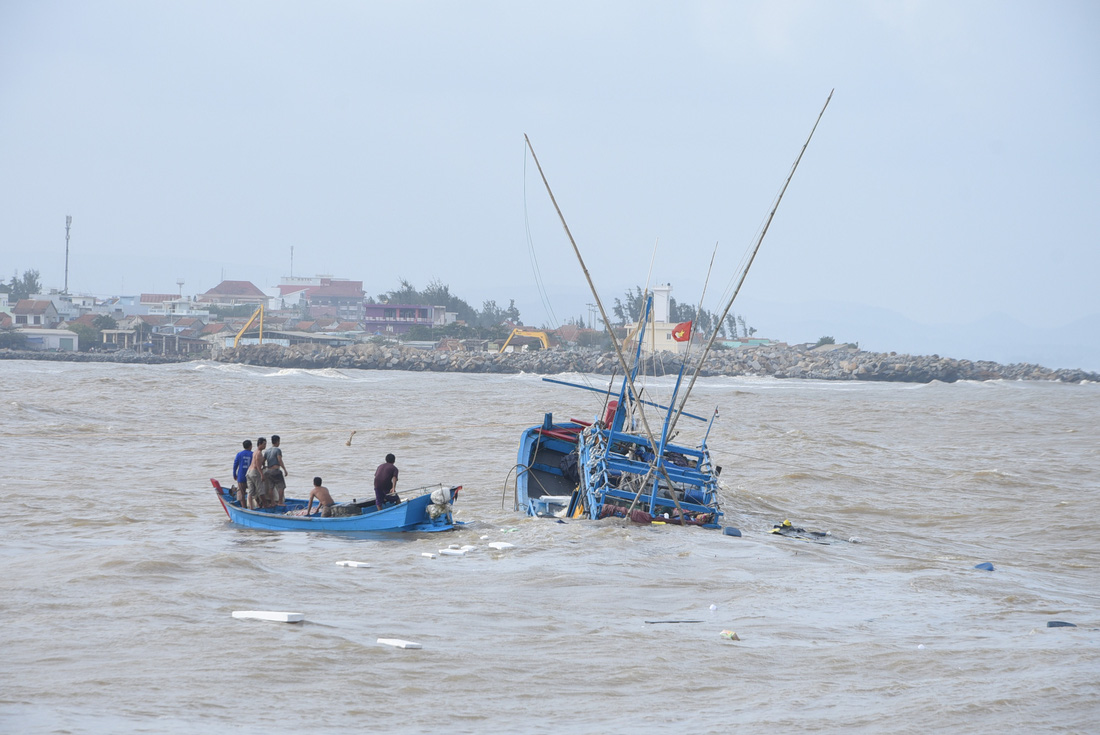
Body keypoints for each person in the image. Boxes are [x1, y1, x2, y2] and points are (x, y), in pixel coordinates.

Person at [263, 434, 288, 505]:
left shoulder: (267, 451)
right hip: (276, 470)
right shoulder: (278, 450)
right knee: (281, 487)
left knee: (271, 487)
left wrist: (264, 467)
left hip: (268, 471)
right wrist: (284, 469)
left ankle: (272, 502)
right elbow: (279, 460)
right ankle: (280, 502)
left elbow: (263, 461)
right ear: (277, 442)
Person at [246, 437, 267, 509]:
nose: (265, 446)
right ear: (260, 444)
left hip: (249, 472)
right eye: (264, 444)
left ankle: (253, 507)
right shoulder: (259, 453)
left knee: (251, 491)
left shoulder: (255, 452)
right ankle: (265, 505)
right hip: (255, 472)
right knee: (260, 489)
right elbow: (258, 465)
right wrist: (262, 474)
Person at [232, 439, 252, 506]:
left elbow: (235, 465)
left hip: (241, 476)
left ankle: (243, 507)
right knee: (253, 492)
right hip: (250, 476)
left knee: (241, 494)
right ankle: (254, 506)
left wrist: (234, 474)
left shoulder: (239, 454)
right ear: (250, 446)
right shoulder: (253, 454)